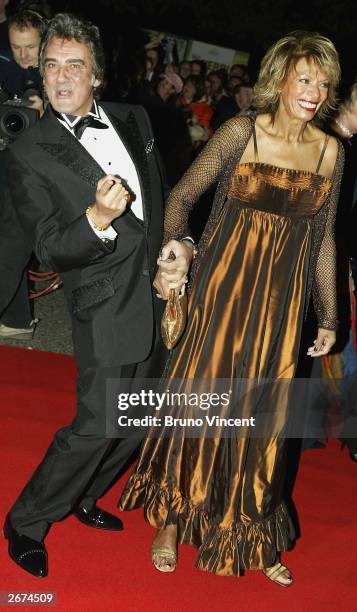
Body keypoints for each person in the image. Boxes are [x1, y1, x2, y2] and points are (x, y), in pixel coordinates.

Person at [119, 31, 344, 586]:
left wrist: (331, 315)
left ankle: (249, 525)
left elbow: (325, 239)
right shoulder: (242, 131)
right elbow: (180, 198)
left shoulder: (331, 151)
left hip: (281, 307)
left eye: (323, 81)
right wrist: (177, 247)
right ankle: (171, 519)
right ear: (281, 77)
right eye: (305, 77)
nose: (314, 90)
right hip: (221, 291)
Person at [2, 12, 179, 579]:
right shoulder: (28, 153)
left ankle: (86, 495)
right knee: (98, 421)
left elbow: (165, 198)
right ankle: (26, 521)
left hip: (161, 292)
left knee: (143, 418)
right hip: (103, 300)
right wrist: (97, 218)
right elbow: (49, 249)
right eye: (50, 65)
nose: (59, 77)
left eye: (73, 65)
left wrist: (183, 245)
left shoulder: (136, 118)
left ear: (96, 74)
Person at [0, 2, 49, 341]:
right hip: (9, 166)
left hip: (39, 176)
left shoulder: (58, 70)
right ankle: (17, 319)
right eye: (16, 46)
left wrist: (46, 106)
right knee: (8, 245)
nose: (23, 54)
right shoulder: (7, 64)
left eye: (30, 46)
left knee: (10, 247)